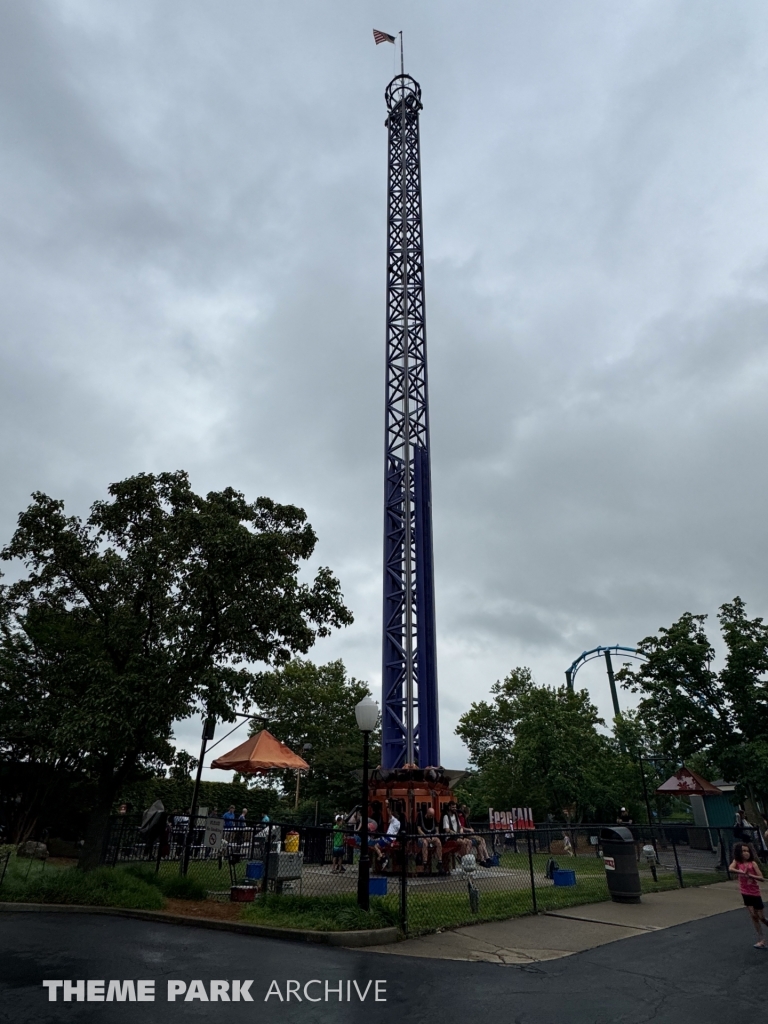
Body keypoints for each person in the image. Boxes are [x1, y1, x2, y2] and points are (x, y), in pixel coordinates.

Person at [729, 842, 768, 948]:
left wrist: (750, 875)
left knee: (762, 917)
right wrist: (742, 872)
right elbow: (730, 869)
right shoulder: (737, 862)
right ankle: (761, 940)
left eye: (747, 851)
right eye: (743, 851)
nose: (746, 853)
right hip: (745, 893)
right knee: (753, 916)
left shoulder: (753, 864)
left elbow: (761, 878)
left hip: (755, 893)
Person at [416, 806, 443, 872]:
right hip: (423, 837)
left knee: (438, 842)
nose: (431, 817)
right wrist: (425, 836)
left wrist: (435, 836)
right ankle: (425, 863)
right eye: (430, 815)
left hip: (432, 836)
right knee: (425, 843)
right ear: (427, 813)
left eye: (432, 815)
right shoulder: (420, 818)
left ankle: (440, 862)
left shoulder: (434, 819)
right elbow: (419, 829)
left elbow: (437, 830)